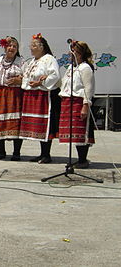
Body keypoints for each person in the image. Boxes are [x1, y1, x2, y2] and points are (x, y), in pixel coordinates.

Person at [20, 33, 61, 163]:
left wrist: (41, 83)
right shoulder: (32, 61)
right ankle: (42, 153)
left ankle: (46, 154)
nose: (31, 48)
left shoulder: (49, 59)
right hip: (33, 94)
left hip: (44, 95)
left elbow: (55, 76)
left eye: (34, 46)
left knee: (45, 124)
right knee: (37, 126)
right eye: (31, 46)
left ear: (42, 47)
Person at [58, 40, 95, 169]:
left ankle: (82, 159)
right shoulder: (71, 68)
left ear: (81, 54)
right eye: (71, 52)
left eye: (75, 52)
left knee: (80, 132)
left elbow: (88, 88)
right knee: (72, 132)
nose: (71, 55)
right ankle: (78, 159)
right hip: (68, 101)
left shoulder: (85, 68)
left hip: (78, 101)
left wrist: (85, 105)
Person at [0, 36, 25, 160]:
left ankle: (16, 152)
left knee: (15, 122)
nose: (11, 48)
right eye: (9, 46)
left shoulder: (21, 61)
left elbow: (27, 76)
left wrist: (18, 80)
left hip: (14, 94)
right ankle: (1, 151)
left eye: (14, 46)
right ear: (4, 47)